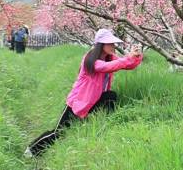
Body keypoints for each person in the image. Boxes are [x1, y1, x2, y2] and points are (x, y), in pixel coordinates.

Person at [24, 29, 143, 157]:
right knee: (59, 132)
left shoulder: (109, 58)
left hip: (93, 101)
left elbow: (126, 65)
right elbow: (106, 67)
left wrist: (136, 56)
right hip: (77, 103)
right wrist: (128, 57)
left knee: (111, 95)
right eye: (110, 43)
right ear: (101, 45)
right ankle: (31, 151)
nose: (113, 46)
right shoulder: (90, 59)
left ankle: (108, 124)